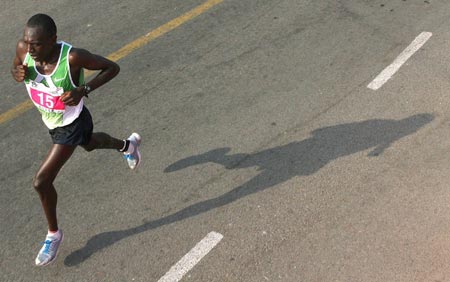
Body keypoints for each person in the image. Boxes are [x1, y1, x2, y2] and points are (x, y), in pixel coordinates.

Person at [10, 13, 142, 266]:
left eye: (36, 44)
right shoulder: (24, 50)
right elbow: (15, 67)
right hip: (53, 123)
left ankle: (53, 235)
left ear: (53, 40)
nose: (30, 49)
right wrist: (16, 72)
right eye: (27, 43)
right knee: (90, 144)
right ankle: (128, 145)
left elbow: (112, 67)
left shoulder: (72, 58)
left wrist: (84, 89)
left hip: (72, 123)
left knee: (41, 181)